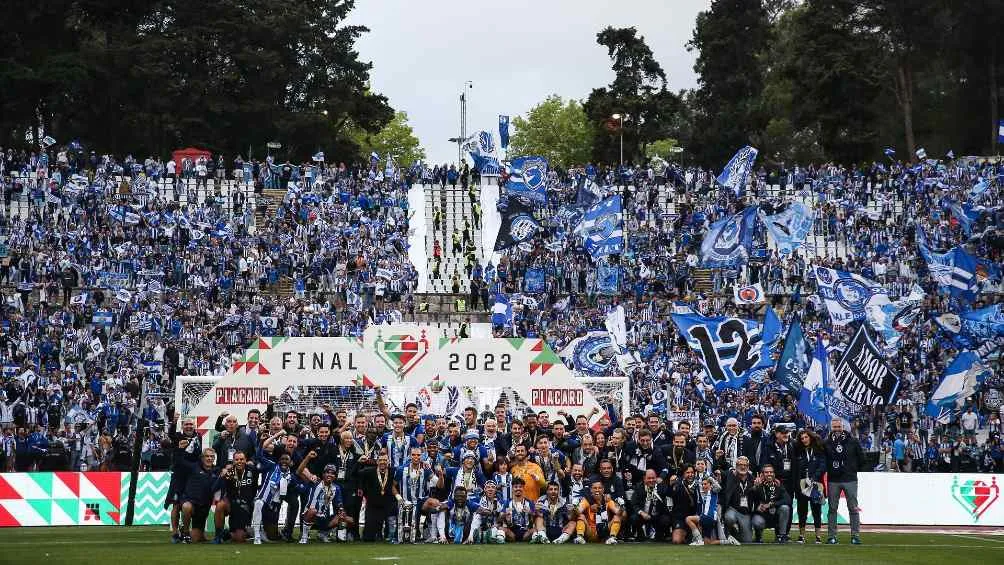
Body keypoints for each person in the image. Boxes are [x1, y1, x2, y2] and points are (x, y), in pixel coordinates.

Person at [824, 418, 863, 545]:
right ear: (831, 428)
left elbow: (862, 458)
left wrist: (851, 469)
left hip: (850, 479)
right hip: (833, 480)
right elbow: (824, 460)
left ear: (843, 427)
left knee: (853, 508)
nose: (837, 429)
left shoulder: (853, 441)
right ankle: (832, 536)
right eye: (834, 427)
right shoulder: (827, 443)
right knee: (832, 509)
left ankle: (855, 535)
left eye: (838, 427)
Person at [300, 463, 353, 543]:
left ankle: (325, 534)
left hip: (323, 517)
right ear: (323, 474)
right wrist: (310, 474)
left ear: (335, 476)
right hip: (311, 516)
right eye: (328, 472)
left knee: (349, 519)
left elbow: (339, 503)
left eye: (332, 473)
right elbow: (300, 471)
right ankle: (304, 537)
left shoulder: (336, 488)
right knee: (313, 511)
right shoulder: (315, 482)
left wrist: (341, 511)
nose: (330, 475)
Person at [213, 451, 258, 543]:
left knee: (240, 539)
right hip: (232, 504)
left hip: (245, 506)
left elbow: (254, 488)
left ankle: (227, 534)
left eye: (241, 459)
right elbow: (214, 488)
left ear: (246, 460)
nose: (239, 461)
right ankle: (218, 535)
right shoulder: (230, 472)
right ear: (233, 461)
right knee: (220, 505)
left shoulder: (252, 470)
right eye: (236, 459)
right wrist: (222, 476)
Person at [178, 448, 221, 543]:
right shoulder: (193, 467)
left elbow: (215, 488)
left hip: (203, 508)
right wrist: (180, 449)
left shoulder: (217, 471)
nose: (209, 458)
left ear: (214, 458)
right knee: (186, 506)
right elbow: (180, 462)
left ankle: (197, 533)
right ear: (202, 458)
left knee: (197, 539)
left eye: (212, 456)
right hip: (191, 503)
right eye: (207, 456)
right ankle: (185, 534)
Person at [794, 429, 825, 544]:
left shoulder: (818, 450)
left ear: (810, 437)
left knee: (816, 510)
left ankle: (818, 536)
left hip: (816, 484)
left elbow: (823, 466)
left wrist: (814, 478)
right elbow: (796, 469)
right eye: (802, 438)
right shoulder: (798, 452)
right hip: (802, 484)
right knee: (802, 511)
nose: (804, 440)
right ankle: (802, 535)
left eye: (806, 437)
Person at [751, 463, 791, 543]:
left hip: (774, 515)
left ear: (774, 474)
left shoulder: (778, 484)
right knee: (757, 522)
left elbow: (788, 500)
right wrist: (757, 507)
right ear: (762, 474)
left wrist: (771, 504)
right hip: (761, 515)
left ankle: (781, 536)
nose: (769, 474)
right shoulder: (757, 485)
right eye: (766, 472)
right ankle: (758, 536)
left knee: (785, 508)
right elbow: (749, 500)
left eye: (771, 472)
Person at [574, 480, 622, 544]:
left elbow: (618, 512)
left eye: (599, 488)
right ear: (591, 490)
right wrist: (575, 507)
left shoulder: (608, 501)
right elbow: (579, 511)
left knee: (617, 517)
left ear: (603, 490)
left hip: (604, 530)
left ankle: (612, 538)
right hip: (590, 531)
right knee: (581, 516)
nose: (597, 490)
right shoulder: (586, 501)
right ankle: (580, 537)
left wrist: (622, 507)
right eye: (595, 488)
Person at [630, 468, 671, 541]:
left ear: (656, 478)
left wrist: (672, 484)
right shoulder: (639, 487)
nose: (651, 480)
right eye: (649, 478)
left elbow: (670, 493)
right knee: (634, 518)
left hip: (657, 516)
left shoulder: (662, 487)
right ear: (644, 479)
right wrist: (642, 513)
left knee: (666, 519)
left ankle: (661, 534)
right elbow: (634, 504)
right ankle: (640, 534)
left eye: (653, 478)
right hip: (643, 516)